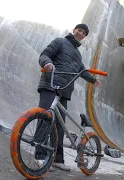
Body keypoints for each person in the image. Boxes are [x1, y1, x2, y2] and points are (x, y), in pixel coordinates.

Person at [34, 24, 101, 171]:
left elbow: (82, 71)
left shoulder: (77, 55)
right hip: (50, 85)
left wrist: (93, 80)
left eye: (84, 33)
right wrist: (47, 63)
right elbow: (44, 54)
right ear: (74, 30)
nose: (81, 33)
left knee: (59, 126)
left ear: (84, 36)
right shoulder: (60, 42)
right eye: (79, 30)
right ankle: (40, 155)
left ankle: (58, 159)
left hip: (64, 91)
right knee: (45, 118)